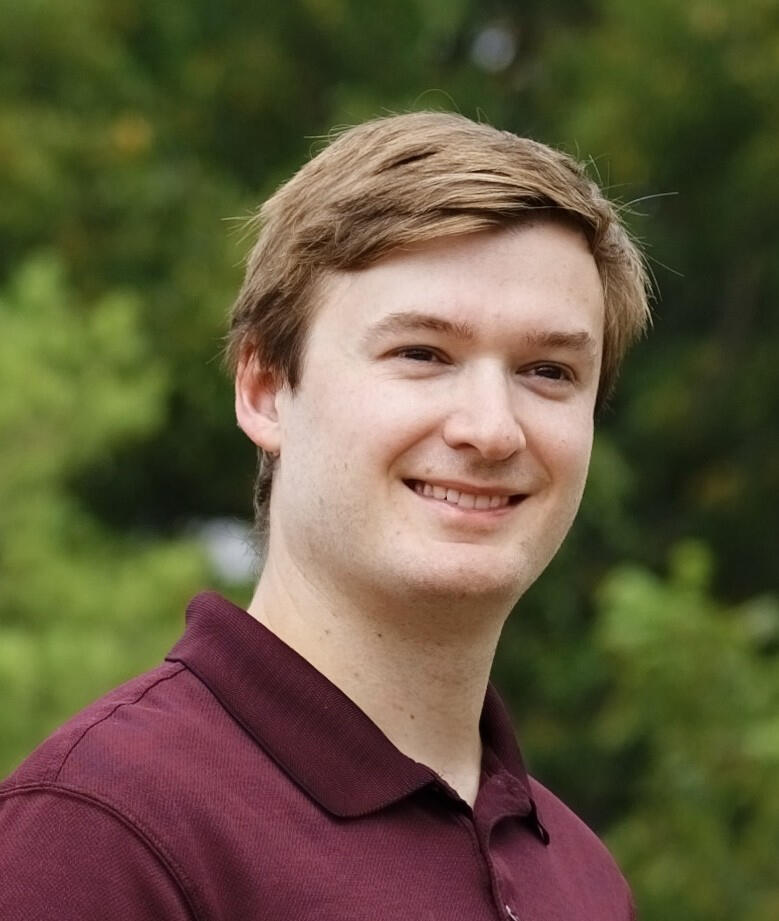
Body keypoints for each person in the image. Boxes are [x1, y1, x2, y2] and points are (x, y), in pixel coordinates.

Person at [0, 111, 650, 920]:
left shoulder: (584, 879)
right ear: (264, 390)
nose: (491, 428)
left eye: (548, 370)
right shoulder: (99, 833)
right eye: (421, 353)